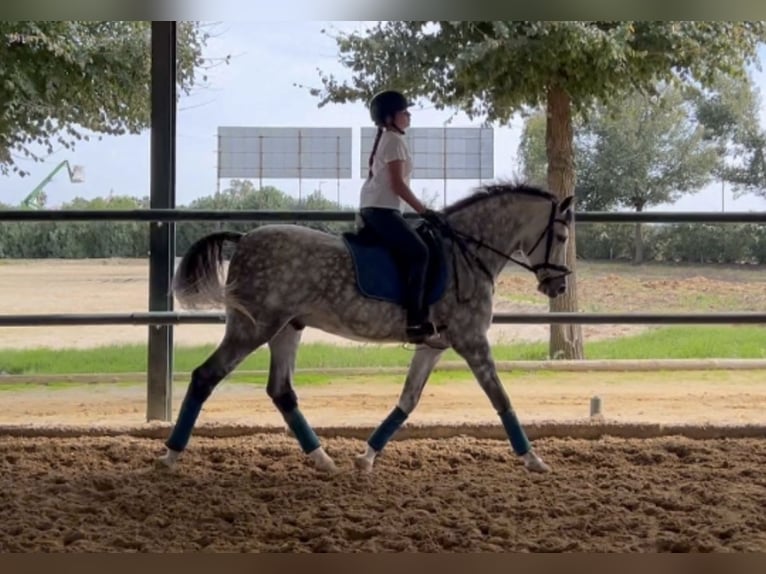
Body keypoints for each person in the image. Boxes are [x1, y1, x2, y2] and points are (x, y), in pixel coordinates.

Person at [358, 89, 442, 343]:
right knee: (420, 253)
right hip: (383, 210)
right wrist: (425, 211)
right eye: (404, 111)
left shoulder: (389, 138)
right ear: (389, 117)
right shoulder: (394, 141)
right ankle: (414, 320)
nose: (409, 115)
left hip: (378, 208)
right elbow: (398, 186)